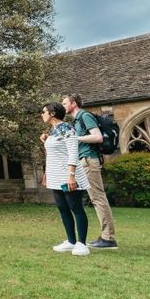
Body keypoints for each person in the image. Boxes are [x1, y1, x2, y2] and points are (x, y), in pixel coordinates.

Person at [62, 94, 118, 250]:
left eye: (65, 102)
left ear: (73, 103)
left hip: (89, 161)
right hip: (82, 161)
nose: (63, 105)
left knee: (98, 198)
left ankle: (108, 238)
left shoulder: (85, 116)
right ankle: (76, 239)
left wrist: (76, 138)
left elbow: (98, 137)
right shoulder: (76, 120)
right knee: (79, 198)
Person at [39, 102, 91, 256]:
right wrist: (46, 140)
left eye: (43, 111)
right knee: (63, 208)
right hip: (56, 176)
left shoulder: (68, 129)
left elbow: (73, 152)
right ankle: (71, 241)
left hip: (67, 175)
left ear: (52, 113)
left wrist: (71, 176)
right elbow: (56, 153)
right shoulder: (54, 130)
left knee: (76, 208)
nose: (41, 114)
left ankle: (82, 243)